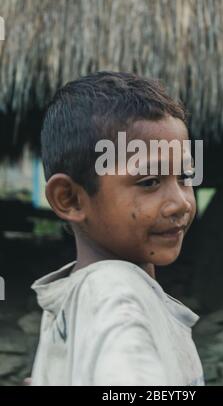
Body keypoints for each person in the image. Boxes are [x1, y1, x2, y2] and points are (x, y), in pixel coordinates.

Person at [30, 71, 204, 386]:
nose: (181, 203)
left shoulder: (90, 294)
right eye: (150, 181)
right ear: (70, 199)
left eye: (185, 177)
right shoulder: (114, 294)